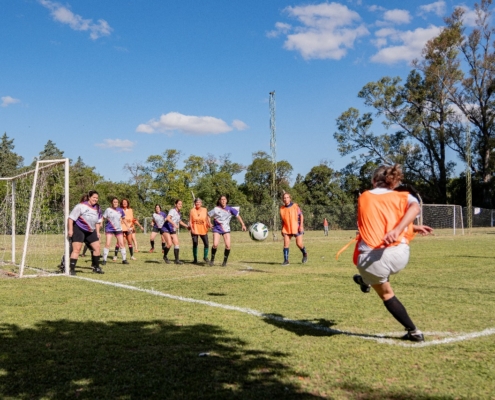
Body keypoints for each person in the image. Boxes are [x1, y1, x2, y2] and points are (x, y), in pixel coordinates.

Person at [353, 164, 433, 342]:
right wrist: (405, 229)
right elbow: (414, 209)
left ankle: (414, 332)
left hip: (371, 258)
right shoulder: (404, 196)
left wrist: (396, 230)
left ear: (374, 180)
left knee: (386, 293)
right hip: (400, 254)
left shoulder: (364, 196)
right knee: (377, 277)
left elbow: (377, 219)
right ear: (394, 182)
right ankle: (365, 280)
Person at [67, 190, 104, 275]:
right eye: (94, 197)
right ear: (89, 197)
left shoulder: (97, 208)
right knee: (77, 249)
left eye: (97, 198)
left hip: (91, 230)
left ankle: (96, 267)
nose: (95, 199)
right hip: (79, 229)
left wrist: (98, 232)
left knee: (97, 247)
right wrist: (70, 230)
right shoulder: (81, 206)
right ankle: (72, 269)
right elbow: (71, 218)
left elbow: (98, 221)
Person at [208, 195, 247, 267]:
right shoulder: (216, 209)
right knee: (215, 245)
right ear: (219, 201)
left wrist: (243, 224)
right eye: (222, 199)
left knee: (228, 246)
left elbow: (238, 216)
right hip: (217, 229)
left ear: (226, 201)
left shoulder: (230, 209)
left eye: (224, 199)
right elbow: (208, 215)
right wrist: (209, 223)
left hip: (226, 229)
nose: (223, 201)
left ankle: (224, 262)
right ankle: (212, 260)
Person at [280, 192, 308, 265]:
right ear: (283, 199)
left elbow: (301, 216)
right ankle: (286, 261)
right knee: (286, 244)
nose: (286, 199)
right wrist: (282, 228)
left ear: (290, 198)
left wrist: (301, 226)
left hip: (296, 227)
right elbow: (283, 220)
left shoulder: (295, 206)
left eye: (287, 197)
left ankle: (305, 253)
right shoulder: (282, 209)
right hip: (287, 228)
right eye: (284, 198)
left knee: (299, 244)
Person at [102, 197, 129, 265]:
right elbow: (103, 218)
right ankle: (104, 260)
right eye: (114, 202)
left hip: (118, 229)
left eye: (116, 202)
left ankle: (124, 260)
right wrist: (100, 224)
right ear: (112, 203)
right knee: (108, 243)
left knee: (121, 244)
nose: (115, 203)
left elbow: (123, 219)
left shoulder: (120, 210)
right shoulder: (108, 209)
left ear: (118, 203)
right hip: (109, 229)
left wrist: (128, 226)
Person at [163, 200, 190, 264]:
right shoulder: (172, 211)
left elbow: (179, 221)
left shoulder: (179, 213)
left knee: (176, 243)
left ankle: (177, 260)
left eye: (181, 204)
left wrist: (187, 226)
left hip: (172, 230)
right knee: (169, 244)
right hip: (166, 229)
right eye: (179, 204)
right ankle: (165, 256)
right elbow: (168, 218)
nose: (180, 205)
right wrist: (174, 224)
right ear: (175, 204)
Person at [189, 197, 211, 264]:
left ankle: (205, 257)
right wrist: (192, 229)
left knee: (206, 243)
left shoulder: (205, 209)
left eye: (199, 202)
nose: (198, 203)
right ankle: (195, 259)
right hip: (195, 229)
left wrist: (209, 224)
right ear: (194, 203)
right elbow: (190, 221)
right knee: (195, 243)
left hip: (203, 229)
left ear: (201, 203)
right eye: (196, 202)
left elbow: (207, 218)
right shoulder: (192, 210)